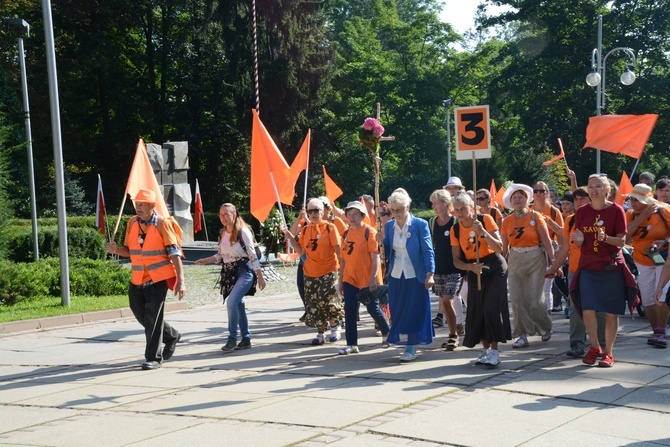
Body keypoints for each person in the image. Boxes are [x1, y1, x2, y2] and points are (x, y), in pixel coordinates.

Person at [105, 189, 185, 370]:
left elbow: (175, 253)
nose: (138, 207)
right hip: (137, 278)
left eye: (142, 204)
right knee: (142, 315)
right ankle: (172, 336)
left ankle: (154, 358)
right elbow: (129, 250)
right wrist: (116, 249)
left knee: (153, 318)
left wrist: (181, 280)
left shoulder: (163, 224)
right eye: (136, 204)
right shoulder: (132, 222)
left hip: (158, 278)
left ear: (152, 206)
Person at [569, 174, 638, 367]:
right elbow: (579, 241)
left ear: (606, 190)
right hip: (589, 266)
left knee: (611, 312)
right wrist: (579, 239)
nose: (593, 190)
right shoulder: (582, 211)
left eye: (598, 186)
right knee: (588, 308)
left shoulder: (617, 210)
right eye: (591, 186)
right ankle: (594, 347)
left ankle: (608, 352)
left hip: (611, 267)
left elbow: (622, 241)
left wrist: (605, 237)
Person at [194, 203, 266, 351]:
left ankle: (232, 338)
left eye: (226, 214)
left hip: (245, 272)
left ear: (234, 214)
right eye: (221, 215)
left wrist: (260, 276)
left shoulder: (243, 232)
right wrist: (206, 261)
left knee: (232, 302)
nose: (223, 218)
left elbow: (252, 255)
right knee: (239, 305)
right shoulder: (222, 233)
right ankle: (245, 338)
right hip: (230, 273)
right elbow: (221, 255)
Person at [450, 192, 510, 367]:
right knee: (478, 310)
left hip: (495, 266)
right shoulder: (455, 230)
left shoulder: (485, 220)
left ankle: (494, 351)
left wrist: (482, 232)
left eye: (464, 208)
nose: (460, 213)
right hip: (474, 269)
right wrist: (469, 267)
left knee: (491, 308)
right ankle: (485, 350)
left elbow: (499, 248)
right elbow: (456, 260)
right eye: (457, 210)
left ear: (472, 207)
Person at [546, 187, 607, 358]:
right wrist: (553, 268)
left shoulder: (600, 218)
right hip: (575, 270)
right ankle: (577, 344)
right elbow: (565, 249)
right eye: (577, 200)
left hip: (597, 270)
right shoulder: (570, 221)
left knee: (599, 308)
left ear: (590, 200)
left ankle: (602, 344)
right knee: (575, 307)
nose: (579, 203)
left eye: (583, 199)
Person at [382, 188, 435, 362]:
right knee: (397, 310)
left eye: (400, 209)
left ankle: (411, 346)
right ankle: (406, 341)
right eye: (393, 210)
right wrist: (381, 243)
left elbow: (428, 250)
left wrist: (430, 273)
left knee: (413, 310)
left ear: (408, 207)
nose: (396, 213)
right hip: (397, 274)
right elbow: (389, 250)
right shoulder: (389, 226)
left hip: (415, 273)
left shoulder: (420, 224)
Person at [500, 184, 555, 348]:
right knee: (517, 300)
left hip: (535, 258)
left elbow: (546, 241)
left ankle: (546, 326)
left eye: (521, 197)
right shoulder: (506, 221)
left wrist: (554, 263)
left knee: (534, 300)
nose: (517, 200)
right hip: (515, 259)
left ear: (527, 200)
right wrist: (501, 265)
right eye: (515, 197)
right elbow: (504, 249)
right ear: (510, 201)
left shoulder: (535, 216)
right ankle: (522, 335)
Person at [284, 198, 343, 345]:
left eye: (316, 210)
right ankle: (320, 332)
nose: (313, 214)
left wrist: (343, 271)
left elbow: (338, 251)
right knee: (314, 304)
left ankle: (335, 327)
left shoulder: (330, 228)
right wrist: (292, 239)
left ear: (322, 212)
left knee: (328, 301)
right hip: (310, 272)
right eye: (310, 211)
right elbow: (301, 252)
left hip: (329, 270)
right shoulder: (305, 230)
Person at [337, 201, 389, 354]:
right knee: (350, 309)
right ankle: (351, 344)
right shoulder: (345, 234)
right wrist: (341, 281)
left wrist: (373, 278)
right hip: (350, 278)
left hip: (367, 278)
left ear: (362, 216)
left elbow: (376, 258)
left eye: (355, 214)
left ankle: (387, 332)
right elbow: (343, 260)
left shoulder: (369, 232)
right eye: (349, 214)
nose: (352, 217)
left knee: (372, 307)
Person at [625, 184, 670, 348]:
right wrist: (641, 216)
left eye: (636, 199)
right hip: (641, 260)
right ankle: (655, 330)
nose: (632, 202)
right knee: (647, 296)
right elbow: (624, 235)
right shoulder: (630, 214)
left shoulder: (663, 211)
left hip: (663, 259)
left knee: (661, 295)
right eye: (631, 198)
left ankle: (661, 331)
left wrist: (664, 242)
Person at [428, 189, 464, 351]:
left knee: (448, 300)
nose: (434, 206)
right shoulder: (432, 223)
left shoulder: (456, 222)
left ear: (445, 203)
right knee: (444, 301)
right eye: (433, 203)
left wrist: (467, 268)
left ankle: (454, 335)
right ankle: (452, 333)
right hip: (439, 268)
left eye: (436, 203)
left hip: (455, 268)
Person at [531, 181, 564, 313]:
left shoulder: (553, 211)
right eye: (536, 191)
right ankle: (536, 317)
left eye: (542, 191)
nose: (538, 193)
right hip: (532, 251)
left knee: (546, 286)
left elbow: (561, 234)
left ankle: (547, 317)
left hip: (549, 251)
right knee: (533, 287)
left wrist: (559, 260)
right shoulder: (528, 210)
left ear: (547, 193)